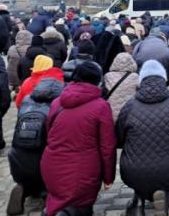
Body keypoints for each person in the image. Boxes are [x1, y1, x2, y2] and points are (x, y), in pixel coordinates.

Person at [116, 60, 169, 216]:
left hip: (133, 170)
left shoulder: (130, 105)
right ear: (164, 78)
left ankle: (138, 200)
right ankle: (164, 197)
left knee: (141, 178)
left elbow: (118, 138)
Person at [41, 61, 116, 215]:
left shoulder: (56, 103)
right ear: (97, 81)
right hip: (83, 170)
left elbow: (49, 134)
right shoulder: (101, 106)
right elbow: (107, 147)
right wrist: (108, 177)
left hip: (51, 167)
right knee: (79, 206)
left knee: (59, 201)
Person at [7, 78, 64, 216]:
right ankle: (47, 195)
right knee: (51, 176)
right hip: (44, 156)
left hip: (18, 154)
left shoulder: (27, 100)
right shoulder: (58, 105)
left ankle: (23, 188)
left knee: (29, 177)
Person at [102, 52, 139, 122]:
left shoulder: (108, 76)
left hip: (111, 115)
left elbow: (103, 95)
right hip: (129, 115)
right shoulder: (135, 77)